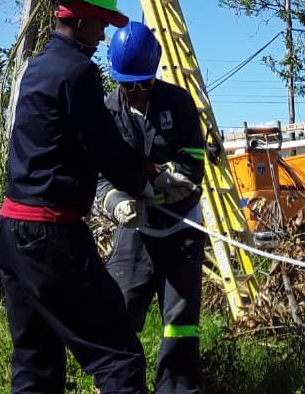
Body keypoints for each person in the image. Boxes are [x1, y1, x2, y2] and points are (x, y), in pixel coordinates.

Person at [0, 0, 192, 394]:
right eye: (100, 24)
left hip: (12, 233)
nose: (103, 36)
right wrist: (147, 178)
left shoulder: (37, 67)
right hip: (52, 238)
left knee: (34, 363)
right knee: (118, 358)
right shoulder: (78, 73)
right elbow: (102, 146)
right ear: (80, 19)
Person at [98, 21, 205, 394]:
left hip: (181, 228)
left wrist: (168, 180)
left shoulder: (179, 103)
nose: (134, 92)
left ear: (153, 75)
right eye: (126, 84)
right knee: (117, 311)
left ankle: (176, 388)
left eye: (141, 84)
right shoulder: (108, 111)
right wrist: (116, 203)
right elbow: (100, 176)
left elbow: (194, 161)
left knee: (180, 321)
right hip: (137, 230)